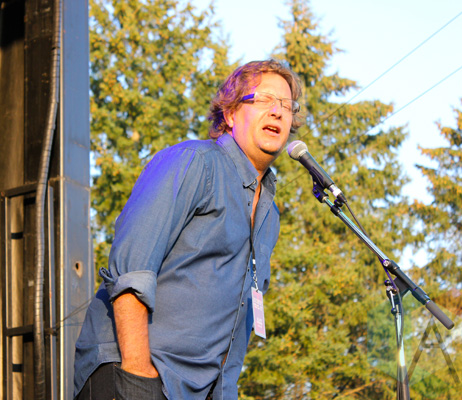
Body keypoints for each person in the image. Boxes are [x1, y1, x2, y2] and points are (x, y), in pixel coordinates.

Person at [74, 59, 303, 399]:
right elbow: (132, 269)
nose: (277, 111)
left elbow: (239, 316)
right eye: (264, 99)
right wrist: (137, 372)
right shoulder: (194, 162)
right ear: (230, 114)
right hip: (137, 376)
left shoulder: (270, 215)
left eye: (286, 105)